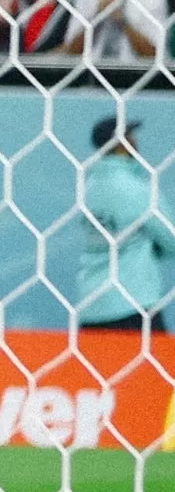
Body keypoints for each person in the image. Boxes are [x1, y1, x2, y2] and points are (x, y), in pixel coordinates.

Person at [78, 114, 175, 331]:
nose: (136, 141)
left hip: (91, 306)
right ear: (122, 144)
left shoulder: (88, 188)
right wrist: (149, 247)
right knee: (150, 365)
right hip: (134, 302)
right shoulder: (137, 189)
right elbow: (171, 240)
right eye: (131, 136)